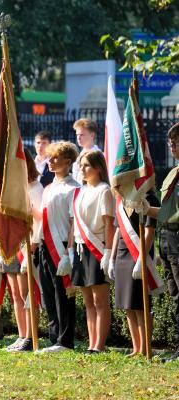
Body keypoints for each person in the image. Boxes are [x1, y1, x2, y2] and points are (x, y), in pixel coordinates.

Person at [140, 122, 179, 361]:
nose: (172, 145)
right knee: (175, 295)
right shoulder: (173, 173)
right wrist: (146, 209)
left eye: (176, 141)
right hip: (166, 237)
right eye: (170, 141)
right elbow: (166, 210)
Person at [36, 141, 80, 353]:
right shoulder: (48, 188)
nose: (51, 162)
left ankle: (65, 340)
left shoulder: (74, 188)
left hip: (62, 246)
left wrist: (68, 253)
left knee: (64, 294)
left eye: (56, 158)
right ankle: (54, 337)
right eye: (50, 158)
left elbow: (73, 222)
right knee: (48, 293)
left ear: (68, 161)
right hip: (46, 244)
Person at [71, 150, 114, 353]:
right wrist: (69, 251)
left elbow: (108, 224)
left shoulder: (104, 190)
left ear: (98, 168)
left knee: (100, 300)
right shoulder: (80, 191)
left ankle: (100, 345)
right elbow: (74, 225)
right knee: (88, 300)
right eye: (81, 165)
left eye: (86, 165)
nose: (82, 168)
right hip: (81, 248)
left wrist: (107, 252)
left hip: (97, 247)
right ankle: (91, 343)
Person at [3, 149, 44, 352]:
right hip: (13, 244)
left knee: (28, 295)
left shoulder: (36, 187)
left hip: (28, 245)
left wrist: (31, 250)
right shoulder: (13, 188)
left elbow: (39, 219)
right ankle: (21, 335)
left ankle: (30, 336)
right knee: (16, 295)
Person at [110, 189, 160, 357]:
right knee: (128, 305)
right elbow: (118, 230)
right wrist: (112, 257)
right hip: (122, 254)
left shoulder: (148, 197)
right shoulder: (121, 199)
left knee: (140, 304)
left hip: (138, 252)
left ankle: (146, 348)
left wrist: (141, 258)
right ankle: (136, 348)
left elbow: (149, 231)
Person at [72, 118, 101, 183]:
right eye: (77, 135)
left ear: (92, 135)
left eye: (82, 135)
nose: (78, 138)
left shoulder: (98, 156)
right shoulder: (80, 154)